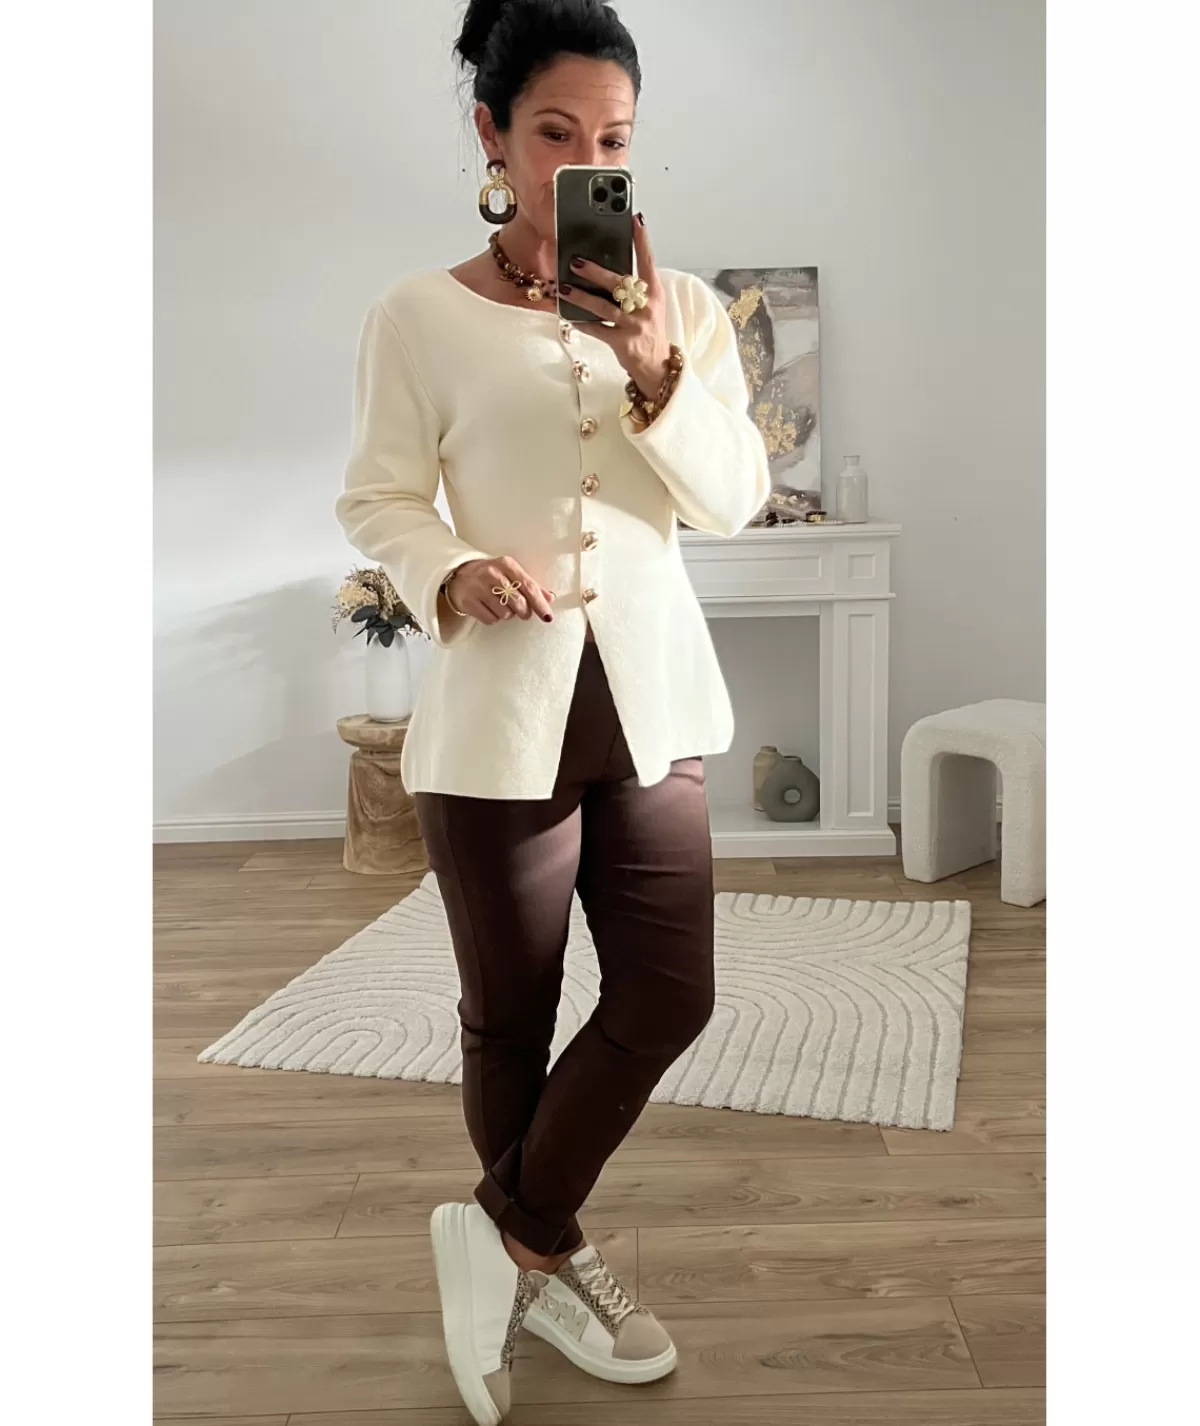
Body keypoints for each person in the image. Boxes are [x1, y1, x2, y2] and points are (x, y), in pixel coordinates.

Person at [335, 1, 770, 1420]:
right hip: (496, 714)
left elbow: (737, 497)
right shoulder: (418, 316)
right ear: (494, 134)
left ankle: (504, 1232)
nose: (588, 161)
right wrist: (450, 570)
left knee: (670, 991)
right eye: (555, 132)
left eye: (616, 140)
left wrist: (650, 361)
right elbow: (377, 497)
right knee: (509, 1018)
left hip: (651, 704)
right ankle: (556, 1255)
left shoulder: (681, 308)